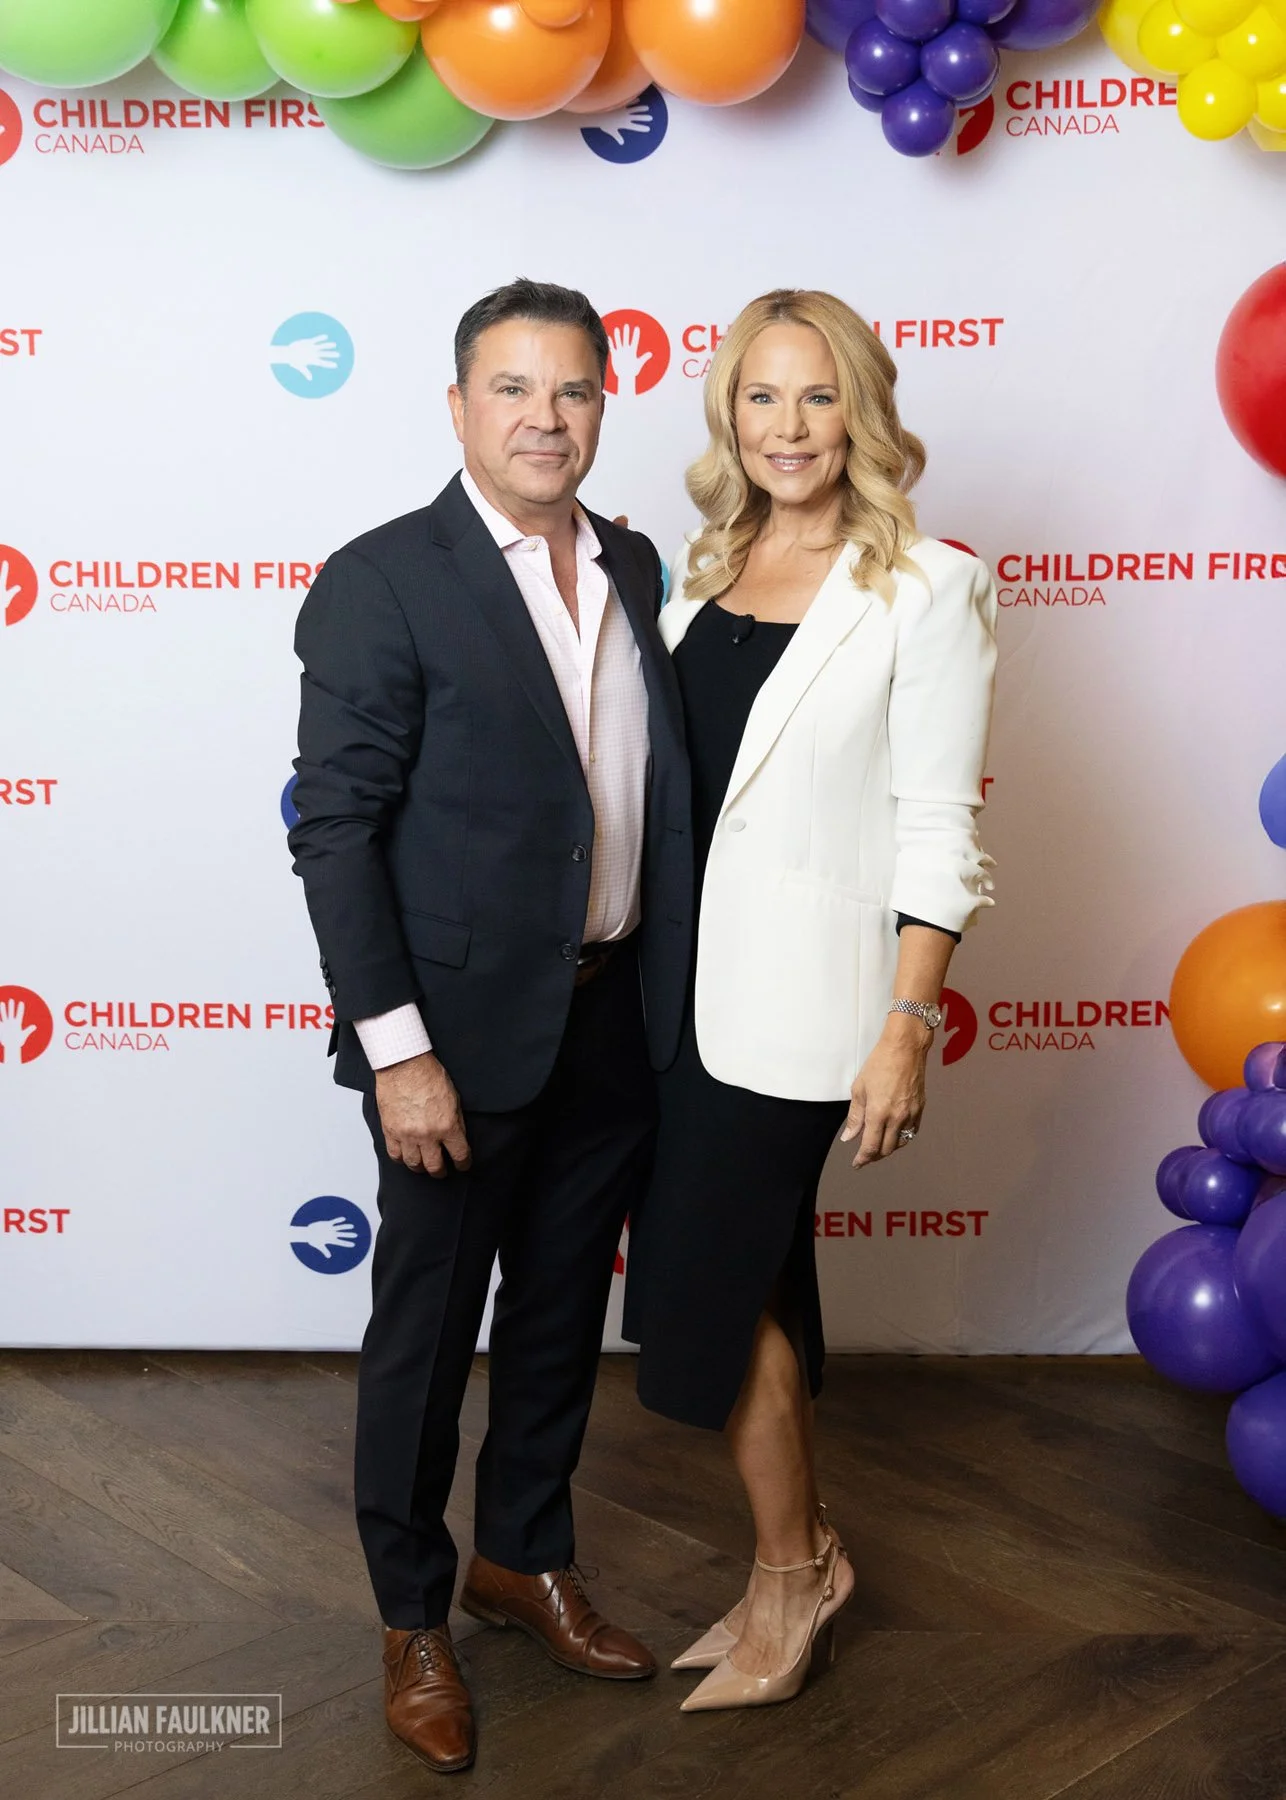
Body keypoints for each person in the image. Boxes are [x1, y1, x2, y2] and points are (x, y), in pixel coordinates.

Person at [287, 279, 691, 1774]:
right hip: (450, 1043)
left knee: (553, 1322)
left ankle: (521, 1560)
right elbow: (334, 831)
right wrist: (397, 1051)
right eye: (511, 388)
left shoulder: (639, 566)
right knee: (424, 1335)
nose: (543, 416)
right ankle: (411, 1617)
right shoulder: (383, 579)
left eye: (572, 390)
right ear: (456, 406)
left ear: (604, 404)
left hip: (607, 1018)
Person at [623, 288, 998, 1712]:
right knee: (757, 1288)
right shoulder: (701, 569)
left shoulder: (925, 586)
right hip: (661, 1004)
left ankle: (793, 1578)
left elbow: (934, 829)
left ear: (864, 412)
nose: (788, 427)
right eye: (762, 397)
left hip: (800, 1013)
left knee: (712, 1298)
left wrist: (905, 1027)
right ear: (728, 413)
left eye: (818, 396)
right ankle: (798, 1561)